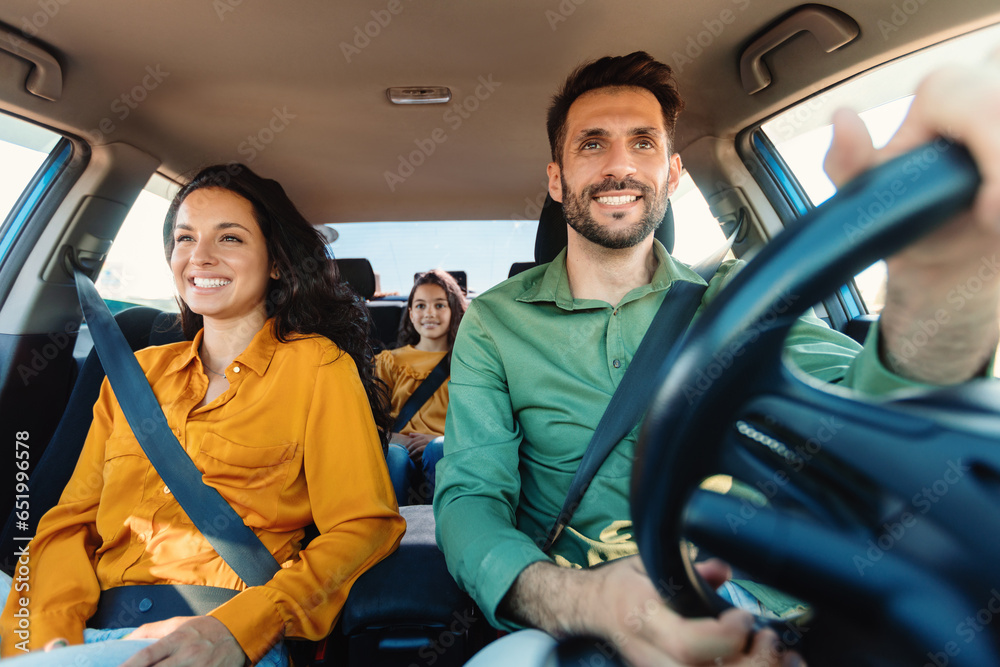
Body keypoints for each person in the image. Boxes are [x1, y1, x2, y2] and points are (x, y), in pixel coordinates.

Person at [434, 50, 1000, 667]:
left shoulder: (742, 296)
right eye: (592, 145)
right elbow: (470, 502)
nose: (620, 164)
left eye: (643, 143)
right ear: (555, 178)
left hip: (768, 618)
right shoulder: (494, 322)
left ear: (673, 174)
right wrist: (583, 601)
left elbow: (869, 412)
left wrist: (933, 289)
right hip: (581, 621)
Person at [0, 164, 406, 666]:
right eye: (185, 237)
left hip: (223, 635)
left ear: (276, 262)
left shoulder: (317, 366)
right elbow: (69, 522)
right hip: (87, 629)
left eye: (229, 238)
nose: (200, 256)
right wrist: (48, 638)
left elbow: (364, 526)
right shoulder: (136, 373)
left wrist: (241, 629)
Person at [376, 269, 468, 503]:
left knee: (438, 449)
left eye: (439, 305)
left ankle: (447, 528)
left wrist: (443, 439)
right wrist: (398, 440)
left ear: (453, 310)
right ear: (410, 313)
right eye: (420, 306)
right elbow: (369, 424)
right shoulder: (388, 361)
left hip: (448, 450)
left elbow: (478, 425)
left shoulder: (468, 362)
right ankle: (389, 533)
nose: (429, 313)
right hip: (397, 448)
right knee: (393, 456)